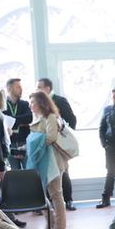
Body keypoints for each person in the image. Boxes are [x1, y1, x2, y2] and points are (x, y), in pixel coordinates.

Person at [27, 91, 68, 229]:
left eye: (33, 102)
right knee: (40, 193)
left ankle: (60, 227)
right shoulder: (36, 117)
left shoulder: (50, 117)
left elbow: (51, 137)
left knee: (56, 194)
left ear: (41, 103)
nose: (30, 105)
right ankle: (50, 223)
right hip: (41, 161)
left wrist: (33, 143)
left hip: (53, 162)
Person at [38, 78, 77, 211]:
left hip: (58, 145)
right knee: (49, 174)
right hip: (47, 146)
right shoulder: (40, 103)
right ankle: (49, 202)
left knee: (63, 172)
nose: (38, 89)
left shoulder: (60, 101)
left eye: (40, 87)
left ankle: (68, 200)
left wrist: (63, 135)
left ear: (47, 88)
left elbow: (72, 119)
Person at [5, 78, 33, 171]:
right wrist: (20, 122)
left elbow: (29, 118)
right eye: (18, 87)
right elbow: (3, 120)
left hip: (24, 142)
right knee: (15, 172)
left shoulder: (25, 104)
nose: (21, 89)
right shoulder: (3, 105)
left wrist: (11, 121)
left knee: (29, 171)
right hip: (10, 144)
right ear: (9, 88)